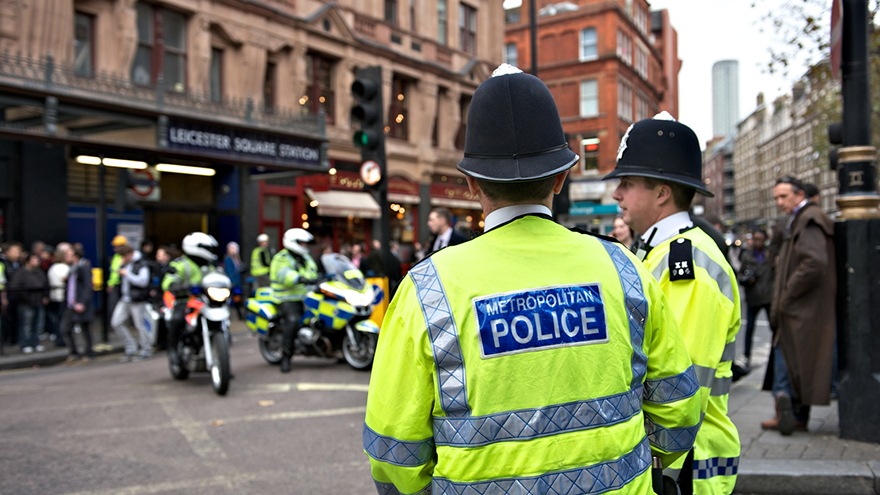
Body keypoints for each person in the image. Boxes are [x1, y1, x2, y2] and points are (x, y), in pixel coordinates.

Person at [364, 65, 701, 495]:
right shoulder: (624, 270)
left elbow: (395, 454)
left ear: (471, 184)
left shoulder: (427, 289)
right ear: (561, 177)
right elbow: (679, 413)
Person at [606, 112, 741, 494]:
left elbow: (684, 385)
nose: (617, 194)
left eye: (627, 184)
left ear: (662, 192)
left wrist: (662, 468)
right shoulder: (658, 251)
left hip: (687, 467)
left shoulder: (690, 264)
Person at [764, 176, 836, 435]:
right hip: (800, 307)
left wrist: (788, 293)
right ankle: (795, 415)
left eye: (784, 196)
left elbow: (814, 262)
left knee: (793, 359)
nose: (779, 202)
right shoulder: (801, 218)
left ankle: (788, 408)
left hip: (802, 309)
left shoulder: (809, 219)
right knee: (795, 360)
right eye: (776, 198)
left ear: (800, 194)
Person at [270, 228, 318, 373]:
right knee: (293, 321)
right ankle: (286, 358)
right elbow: (286, 276)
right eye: (302, 243)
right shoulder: (281, 258)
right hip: (286, 298)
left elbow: (313, 271)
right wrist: (298, 278)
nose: (305, 246)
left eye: (305, 243)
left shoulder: (305, 258)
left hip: (305, 296)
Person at [163, 233, 214, 366]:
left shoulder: (209, 265)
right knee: (178, 319)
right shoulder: (181, 264)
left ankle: (221, 361)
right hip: (185, 300)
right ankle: (173, 350)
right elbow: (169, 278)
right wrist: (174, 285)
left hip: (205, 301)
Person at [738, 229, 773, 368]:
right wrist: (746, 279)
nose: (757, 242)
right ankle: (746, 356)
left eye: (760, 239)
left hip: (768, 297)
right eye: (755, 239)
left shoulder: (771, 255)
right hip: (753, 297)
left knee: (774, 327)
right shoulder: (747, 255)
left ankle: (774, 356)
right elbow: (741, 274)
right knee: (749, 328)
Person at [111, 245, 153, 362]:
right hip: (125, 298)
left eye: (124, 257)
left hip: (137, 299)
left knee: (139, 325)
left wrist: (127, 274)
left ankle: (146, 350)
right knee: (116, 322)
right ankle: (131, 348)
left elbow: (143, 282)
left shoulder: (141, 264)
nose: (123, 259)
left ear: (130, 254)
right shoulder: (125, 263)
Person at [9, 253, 49, 354]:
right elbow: (15, 288)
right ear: (27, 261)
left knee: (38, 324)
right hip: (25, 303)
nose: (37, 262)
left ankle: (35, 343)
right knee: (26, 324)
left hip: (38, 301)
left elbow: (45, 284)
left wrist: (45, 296)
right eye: (34, 260)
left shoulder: (39, 272)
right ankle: (25, 344)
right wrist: (25, 298)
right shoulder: (20, 273)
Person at [63, 247, 95, 362]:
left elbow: (87, 286)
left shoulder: (83, 267)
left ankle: (89, 353)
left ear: (76, 256)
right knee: (65, 329)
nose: (66, 257)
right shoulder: (73, 268)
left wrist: (82, 302)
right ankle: (74, 352)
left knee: (85, 329)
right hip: (71, 304)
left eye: (68, 255)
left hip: (80, 304)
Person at [46, 249, 70, 348]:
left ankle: (58, 338)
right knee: (63, 320)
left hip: (54, 297)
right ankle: (61, 340)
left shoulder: (52, 268)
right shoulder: (64, 267)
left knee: (57, 319)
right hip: (62, 297)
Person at [107, 235, 129, 316]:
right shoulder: (116, 257)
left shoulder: (126, 257)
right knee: (112, 305)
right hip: (115, 285)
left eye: (116, 247)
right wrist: (110, 284)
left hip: (123, 284)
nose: (115, 249)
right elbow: (113, 273)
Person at [224, 241, 244, 320]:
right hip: (233, 283)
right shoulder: (228, 259)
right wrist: (233, 282)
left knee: (237, 299)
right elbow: (229, 271)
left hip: (237, 281)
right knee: (234, 299)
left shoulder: (236, 258)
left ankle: (240, 315)